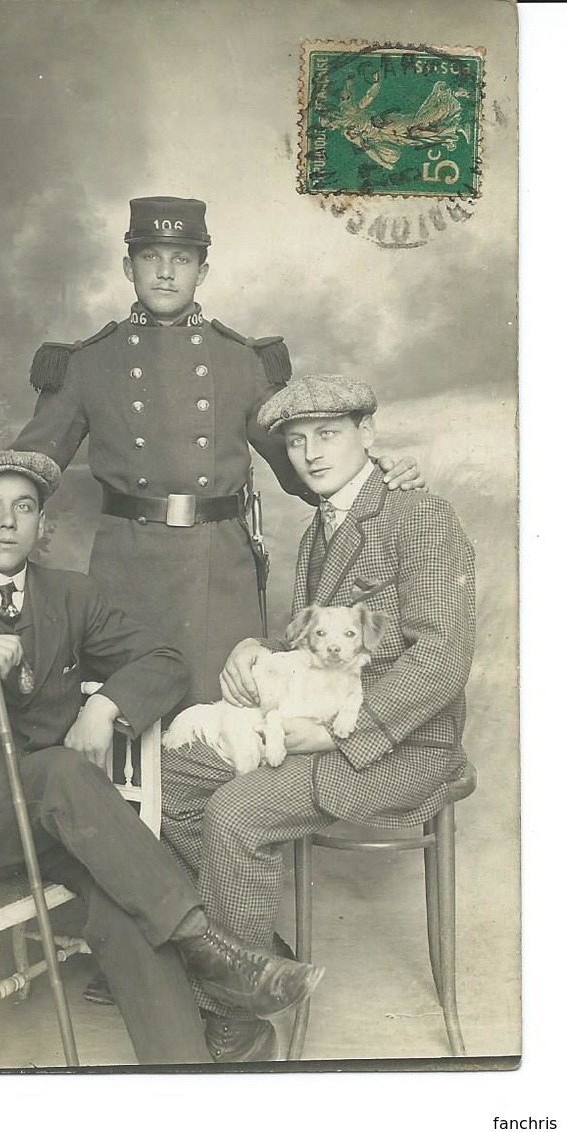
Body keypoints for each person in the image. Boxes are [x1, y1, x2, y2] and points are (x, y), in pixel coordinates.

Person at [0, 449, 324, 1067]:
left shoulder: (70, 596)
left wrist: (107, 706)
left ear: (42, 526)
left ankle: (187, 1074)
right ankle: (211, 949)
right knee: (67, 771)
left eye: (25, 507)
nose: (8, 521)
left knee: (125, 904)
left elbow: (164, 661)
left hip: (67, 824)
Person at [0, 196, 423, 709]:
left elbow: (303, 469)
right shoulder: (89, 363)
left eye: (180, 259)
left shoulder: (241, 360)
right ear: (127, 266)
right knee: (123, 713)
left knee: (228, 714)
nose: (164, 272)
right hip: (126, 564)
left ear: (202, 271)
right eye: (150, 257)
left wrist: (380, 475)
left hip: (218, 565)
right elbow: (27, 466)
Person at [160, 374, 476, 1063]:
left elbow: (443, 659)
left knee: (234, 812)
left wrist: (336, 732)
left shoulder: (418, 515)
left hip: (401, 742)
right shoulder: (317, 531)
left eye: (327, 434)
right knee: (170, 782)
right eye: (295, 442)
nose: (308, 453)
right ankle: (247, 952)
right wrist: (255, 648)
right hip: (315, 723)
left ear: (368, 434)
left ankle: (236, 1024)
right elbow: (313, 643)